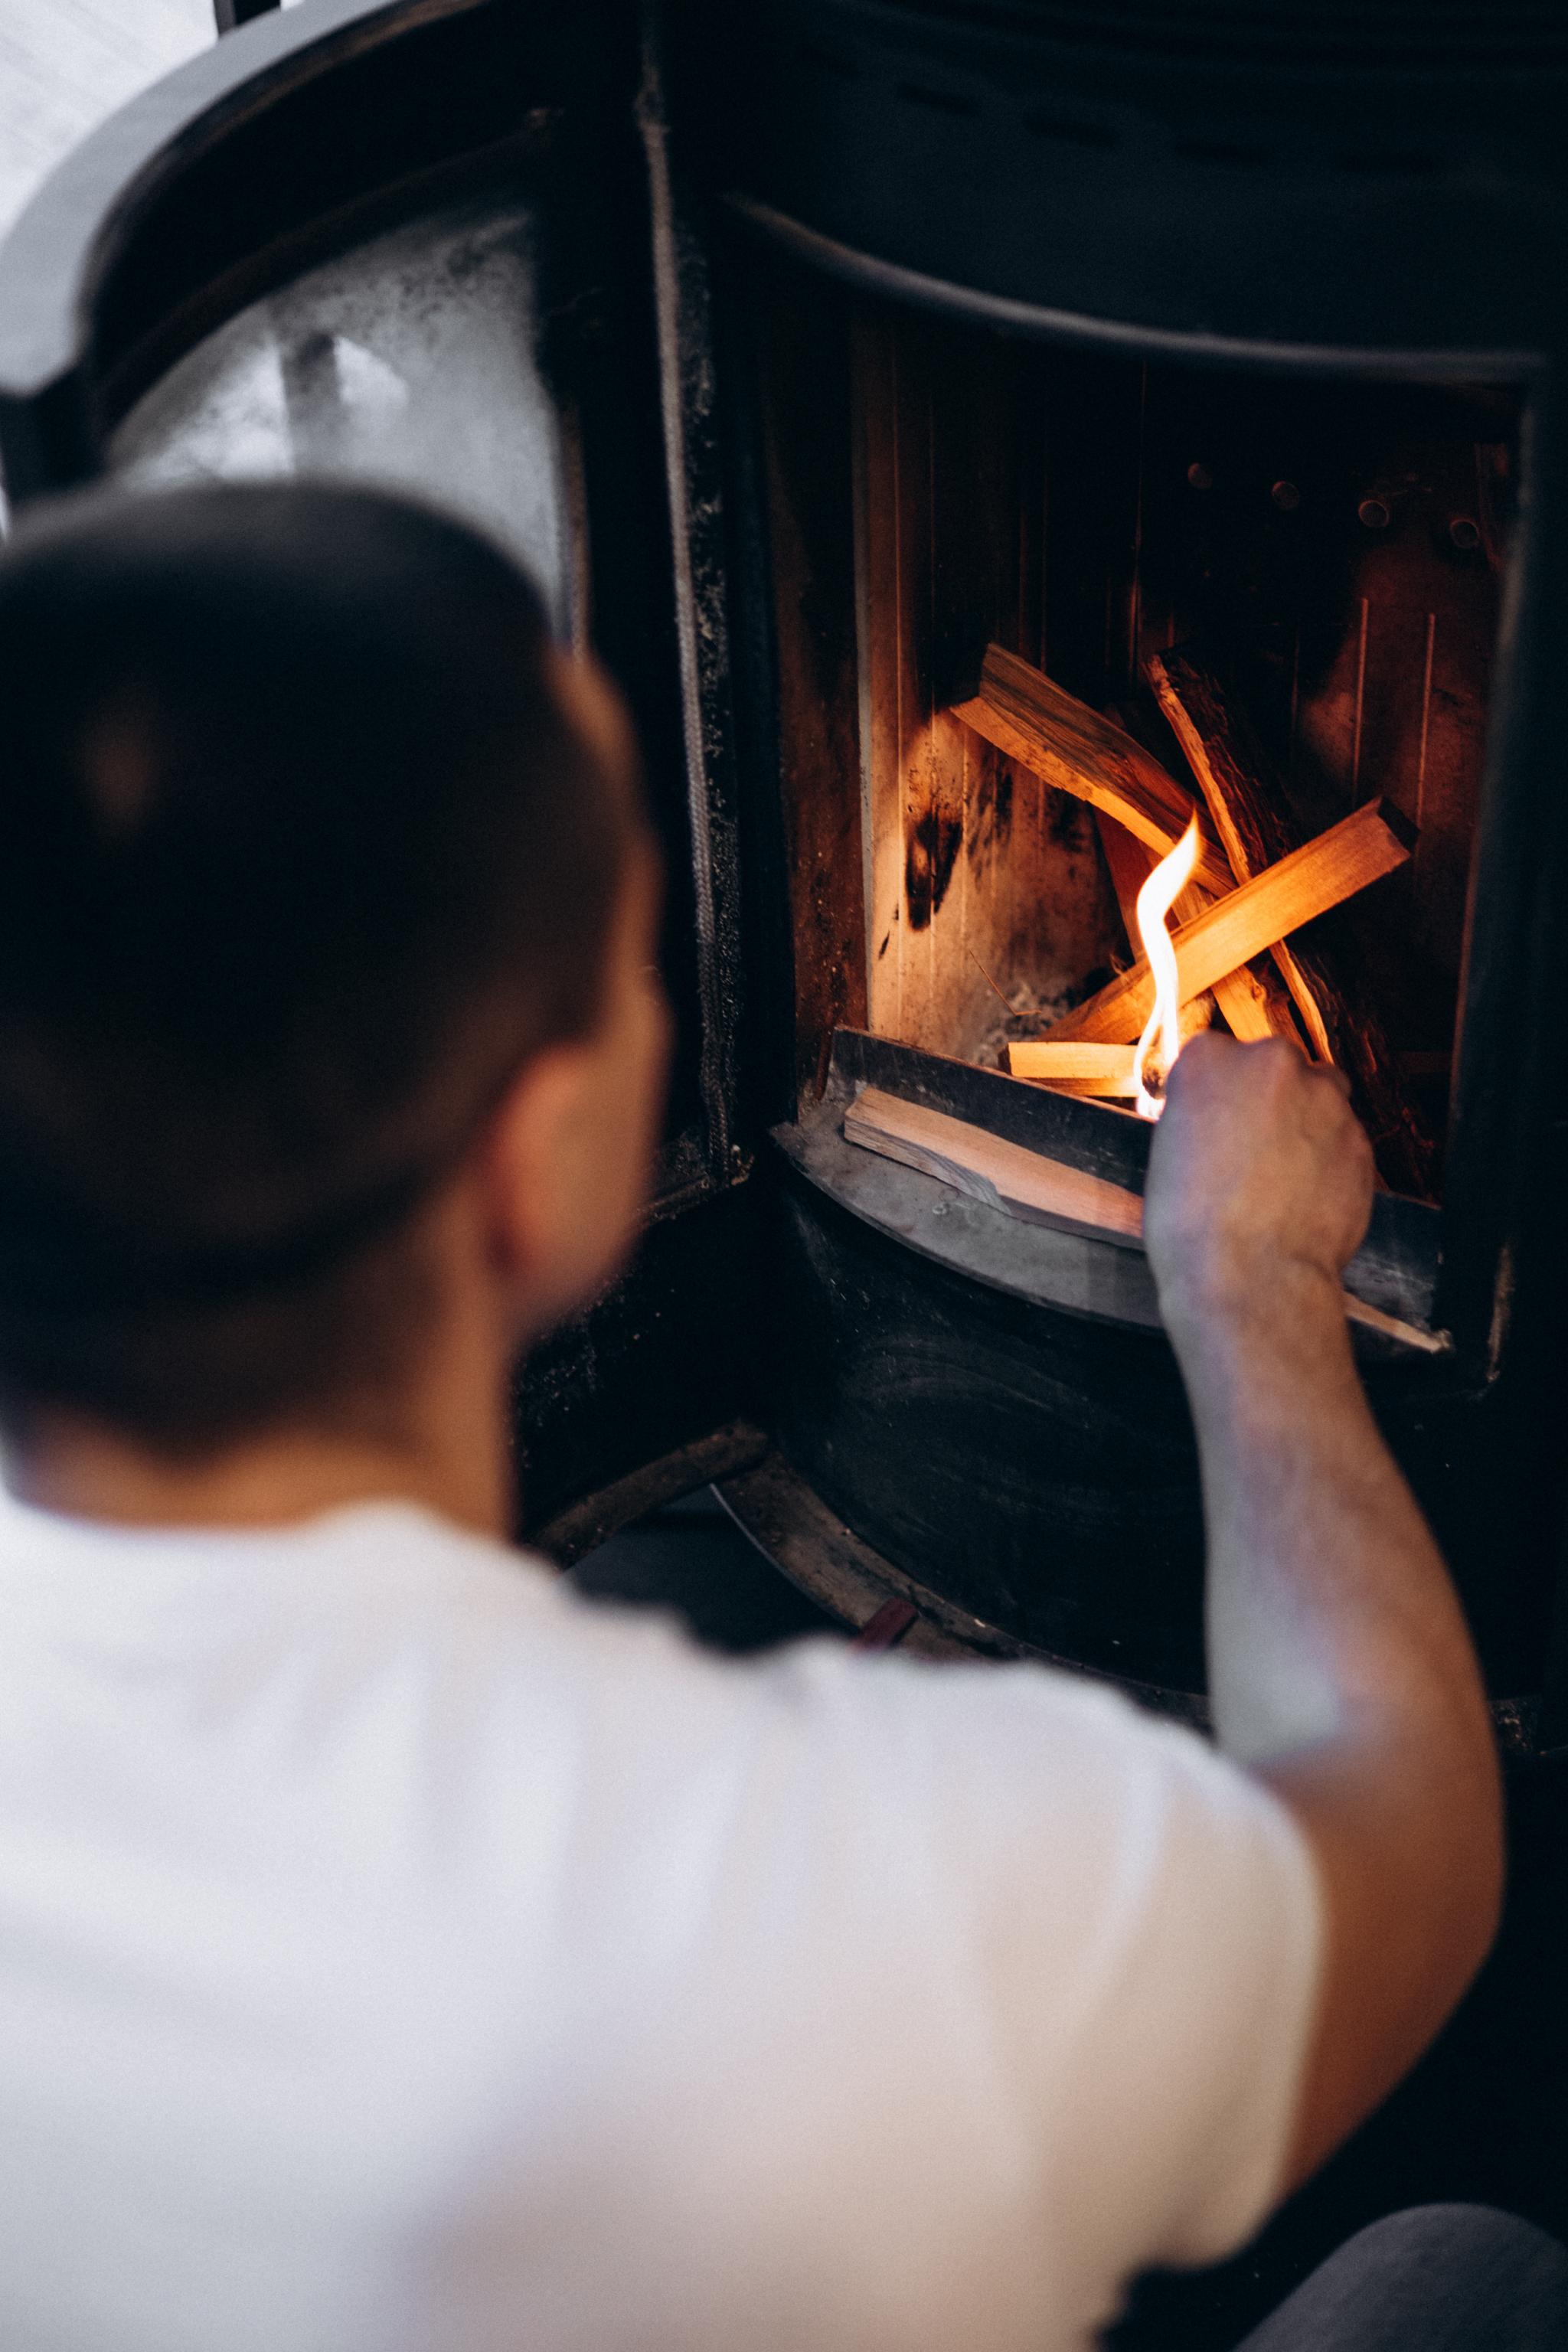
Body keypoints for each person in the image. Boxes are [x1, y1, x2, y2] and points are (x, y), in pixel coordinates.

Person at [0, 475, 1557, 2352]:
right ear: (535, 1164)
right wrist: (1250, 1282)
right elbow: (1405, 1843)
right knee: (1472, 2268)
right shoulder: (808, 1917)